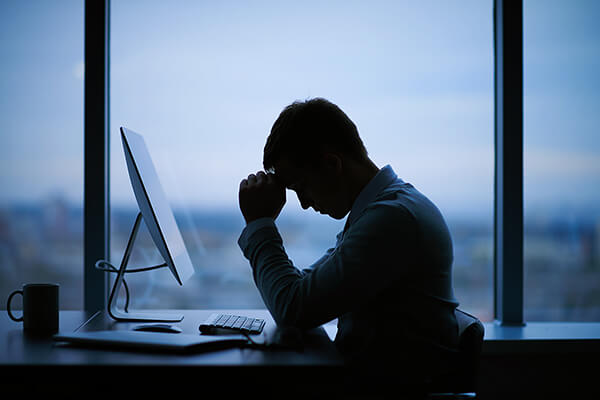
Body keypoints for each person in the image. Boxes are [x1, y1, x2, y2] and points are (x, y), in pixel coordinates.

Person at [237, 97, 459, 379]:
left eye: (301, 187)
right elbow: (304, 293)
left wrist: (259, 224)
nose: (304, 203)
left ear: (332, 164)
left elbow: (294, 308)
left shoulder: (392, 220)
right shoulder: (383, 210)